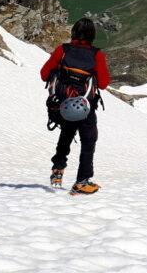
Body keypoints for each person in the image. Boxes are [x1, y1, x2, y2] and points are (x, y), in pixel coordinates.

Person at [40, 18, 111, 195]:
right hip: (85, 106)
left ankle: (57, 169)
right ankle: (82, 181)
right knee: (88, 141)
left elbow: (44, 74)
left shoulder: (62, 50)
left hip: (62, 104)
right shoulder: (97, 55)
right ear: (92, 35)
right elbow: (103, 83)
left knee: (66, 133)